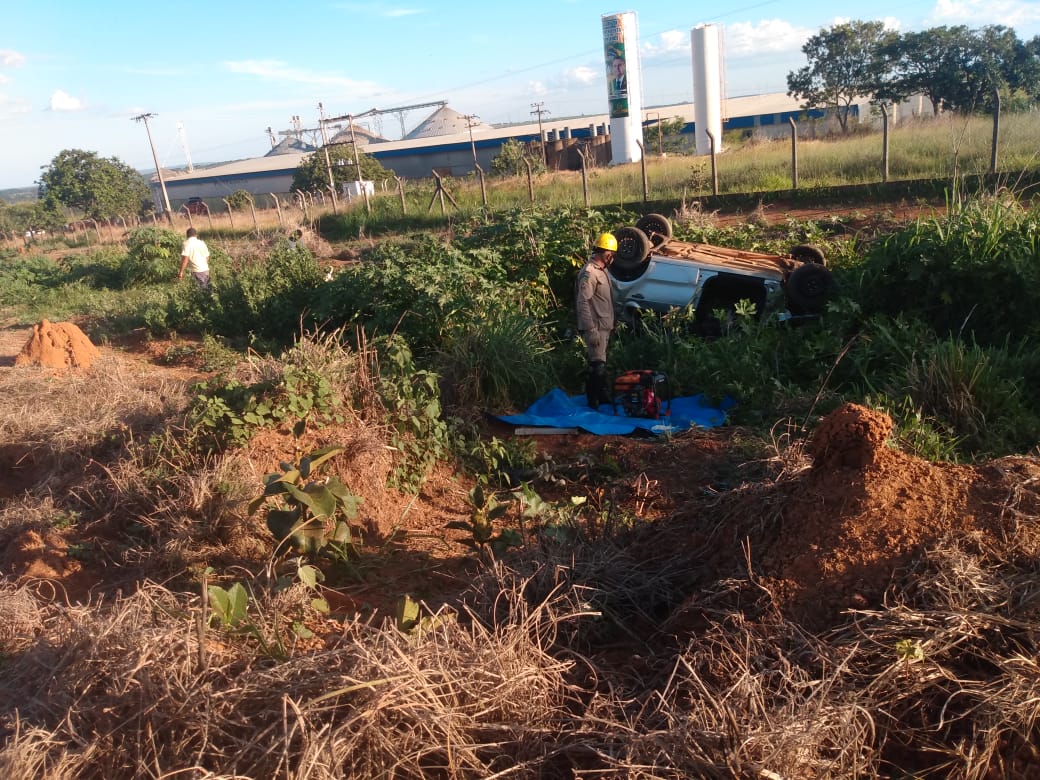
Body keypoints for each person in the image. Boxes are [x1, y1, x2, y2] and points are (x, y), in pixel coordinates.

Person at [575, 232, 618, 408]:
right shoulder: (590, 273)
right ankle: (593, 400)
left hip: (605, 325)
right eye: (611, 254)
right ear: (604, 253)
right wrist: (590, 329)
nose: (612, 258)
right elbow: (583, 301)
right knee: (597, 364)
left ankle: (602, 395)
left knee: (601, 362)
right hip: (596, 326)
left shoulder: (603, 271)